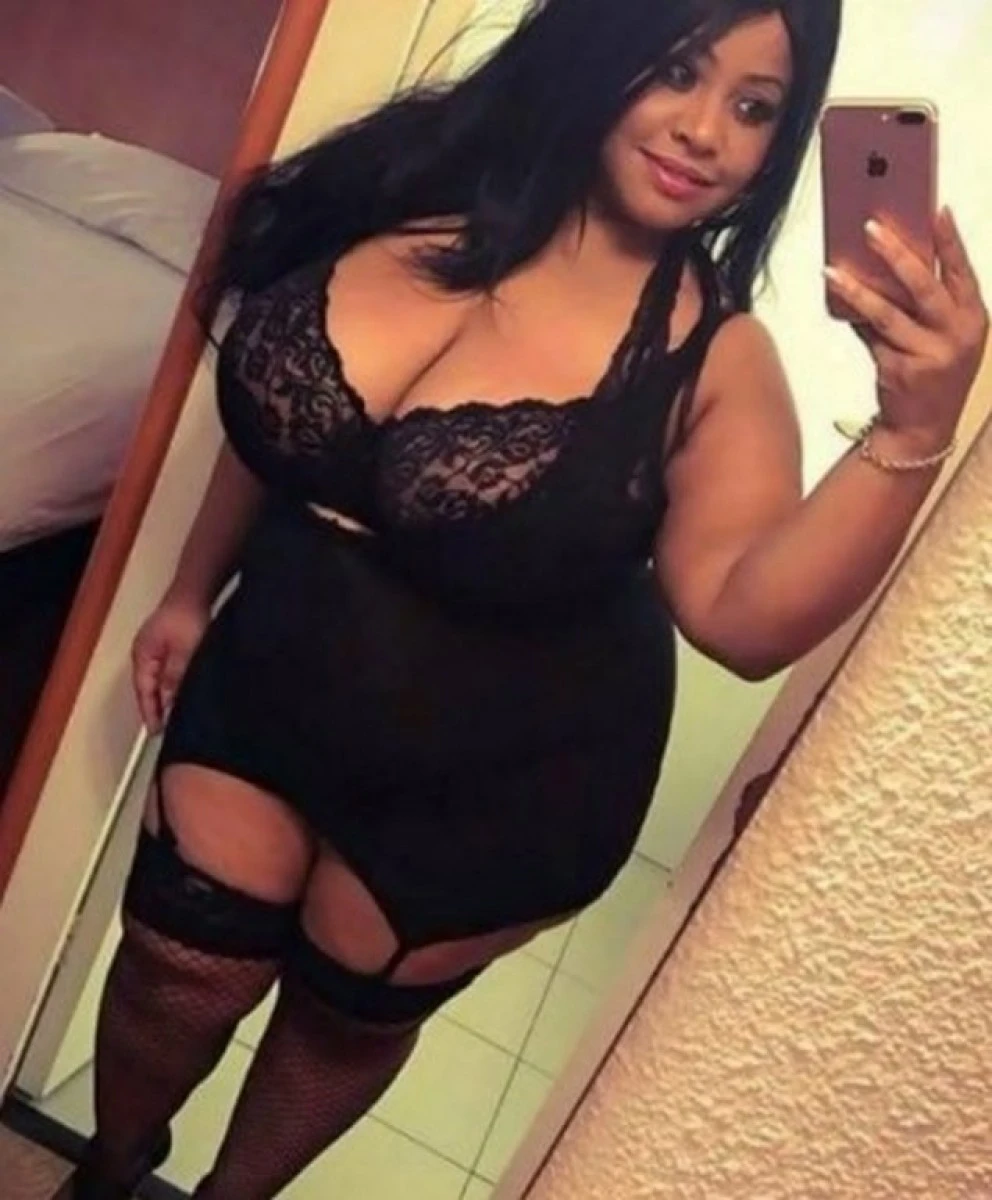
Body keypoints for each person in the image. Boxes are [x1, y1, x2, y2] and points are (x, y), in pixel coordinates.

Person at [61, 0, 987, 1196]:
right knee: (171, 970)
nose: (705, 131)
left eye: (754, 107)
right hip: (271, 679)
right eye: (675, 72)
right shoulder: (392, 188)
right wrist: (192, 589)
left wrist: (910, 432)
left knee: (336, 1027)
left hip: (503, 780)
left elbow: (739, 620)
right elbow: (286, 435)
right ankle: (106, 1172)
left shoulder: (715, 363)